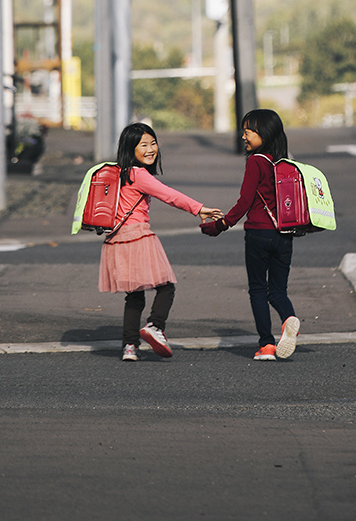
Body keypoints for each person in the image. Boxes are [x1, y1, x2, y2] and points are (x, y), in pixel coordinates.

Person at [100, 122, 221, 361]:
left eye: (153, 143)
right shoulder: (139, 174)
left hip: (115, 239)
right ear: (130, 148)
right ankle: (155, 326)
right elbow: (168, 195)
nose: (150, 149)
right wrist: (199, 208)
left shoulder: (116, 173)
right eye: (143, 145)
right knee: (166, 286)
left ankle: (129, 346)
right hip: (137, 236)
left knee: (134, 295)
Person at [220, 109, 301, 361]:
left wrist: (222, 224)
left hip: (258, 233)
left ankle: (266, 345)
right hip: (284, 234)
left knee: (257, 289)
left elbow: (245, 201)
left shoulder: (256, 161)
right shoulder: (283, 163)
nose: (243, 136)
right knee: (278, 291)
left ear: (263, 134)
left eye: (248, 132)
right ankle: (288, 319)